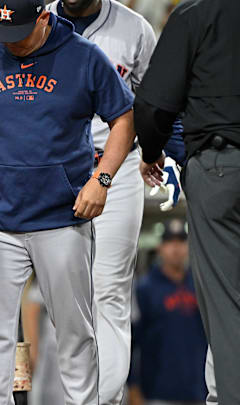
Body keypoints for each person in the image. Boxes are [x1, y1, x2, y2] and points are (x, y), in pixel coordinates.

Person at [0, 0, 136, 402]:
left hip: (63, 217)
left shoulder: (83, 56)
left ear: (44, 17)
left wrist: (103, 179)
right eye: (3, 31)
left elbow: (124, 119)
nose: (10, 43)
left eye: (19, 32)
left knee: (75, 331)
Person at [44, 0, 157, 402]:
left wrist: (161, 151)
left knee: (109, 291)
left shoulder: (135, 30)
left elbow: (158, 101)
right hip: (53, 170)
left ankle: (101, 399)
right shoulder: (34, 20)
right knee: (65, 298)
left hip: (118, 167)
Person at [134, 0, 240, 403]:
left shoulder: (194, 14)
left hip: (221, 166)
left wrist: (151, 151)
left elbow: (153, 105)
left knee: (227, 308)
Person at [128, 219, 207, 405]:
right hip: (157, 392)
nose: (176, 248)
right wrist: (132, 387)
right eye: (170, 242)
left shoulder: (199, 287)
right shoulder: (144, 289)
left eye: (181, 242)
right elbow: (132, 342)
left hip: (198, 391)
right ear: (161, 247)